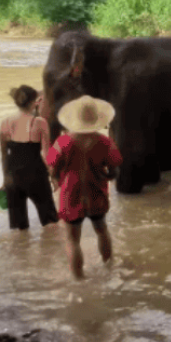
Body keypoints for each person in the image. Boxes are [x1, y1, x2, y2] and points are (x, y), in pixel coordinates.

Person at [45, 96, 123, 280]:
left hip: (71, 194)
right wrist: (108, 176)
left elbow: (52, 168)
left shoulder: (63, 142)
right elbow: (115, 169)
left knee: (72, 239)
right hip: (96, 192)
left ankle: (79, 279)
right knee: (102, 230)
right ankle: (109, 267)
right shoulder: (104, 142)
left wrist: (57, 180)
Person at [0, 85, 59, 230]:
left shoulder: (5, 122)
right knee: (50, 222)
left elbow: (4, 155)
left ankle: (22, 245)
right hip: (36, 175)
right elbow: (46, 154)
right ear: (33, 102)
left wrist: (5, 179)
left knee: (19, 228)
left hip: (13, 177)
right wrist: (53, 177)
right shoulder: (39, 122)